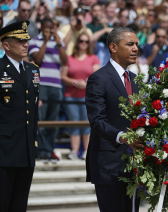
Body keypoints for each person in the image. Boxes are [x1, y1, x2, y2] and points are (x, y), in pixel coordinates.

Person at [85, 27, 143, 212]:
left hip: (135, 164)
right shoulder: (98, 79)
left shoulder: (136, 80)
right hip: (109, 164)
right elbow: (97, 120)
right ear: (113, 47)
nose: (135, 48)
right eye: (130, 44)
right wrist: (122, 136)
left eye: (136, 44)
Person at [0, 20, 39, 211]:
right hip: (3, 149)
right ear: (6, 45)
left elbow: (33, 111)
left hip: (26, 149)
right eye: (20, 41)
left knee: (20, 204)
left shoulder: (33, 71)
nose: (26, 45)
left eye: (26, 41)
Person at [28, 17, 68, 162]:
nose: (50, 31)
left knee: (53, 121)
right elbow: (38, 60)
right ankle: (41, 150)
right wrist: (45, 41)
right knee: (41, 120)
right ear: (41, 27)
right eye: (47, 28)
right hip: (42, 85)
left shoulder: (59, 42)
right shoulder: (34, 41)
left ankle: (49, 150)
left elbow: (65, 61)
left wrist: (58, 44)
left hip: (56, 86)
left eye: (52, 28)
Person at [61, 32, 100, 160]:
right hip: (71, 95)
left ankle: (87, 151)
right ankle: (74, 150)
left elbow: (97, 76)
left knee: (86, 123)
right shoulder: (69, 58)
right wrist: (73, 82)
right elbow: (63, 76)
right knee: (74, 123)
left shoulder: (93, 58)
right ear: (77, 42)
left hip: (87, 96)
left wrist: (86, 83)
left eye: (86, 41)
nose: (83, 43)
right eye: (81, 41)